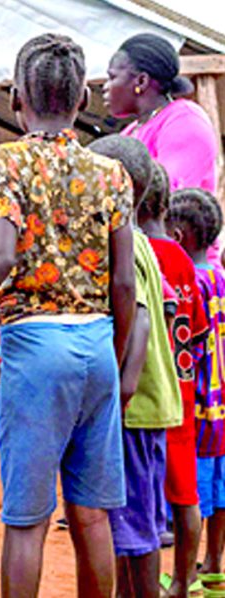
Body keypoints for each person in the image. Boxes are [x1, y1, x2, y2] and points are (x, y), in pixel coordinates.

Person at [0, 34, 136, 597]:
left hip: (35, 348)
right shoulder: (111, 173)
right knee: (92, 515)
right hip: (98, 345)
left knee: (27, 519)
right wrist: (114, 359)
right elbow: (123, 282)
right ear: (83, 98)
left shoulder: (8, 162)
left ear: (17, 98)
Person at [89, 135, 182, 597]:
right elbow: (165, 304)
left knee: (136, 527)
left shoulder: (123, 245)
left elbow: (141, 318)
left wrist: (121, 392)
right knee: (134, 523)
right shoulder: (139, 241)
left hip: (134, 407)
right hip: (147, 404)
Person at [140, 162, 210, 596]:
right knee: (186, 496)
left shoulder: (136, 251)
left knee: (136, 497)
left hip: (143, 396)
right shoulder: (182, 260)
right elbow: (199, 333)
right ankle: (184, 581)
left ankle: (133, 586)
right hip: (181, 394)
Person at [105, 32, 222, 266]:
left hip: (185, 268)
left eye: (112, 77)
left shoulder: (184, 120)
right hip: (145, 258)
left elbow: (169, 197)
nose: (105, 87)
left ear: (141, 81)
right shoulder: (131, 131)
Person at [166, 187, 225, 593]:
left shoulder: (190, 283)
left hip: (200, 409)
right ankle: (214, 564)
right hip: (223, 407)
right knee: (219, 493)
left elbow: (189, 347)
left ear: (178, 236)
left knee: (191, 496)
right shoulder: (220, 278)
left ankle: (185, 578)